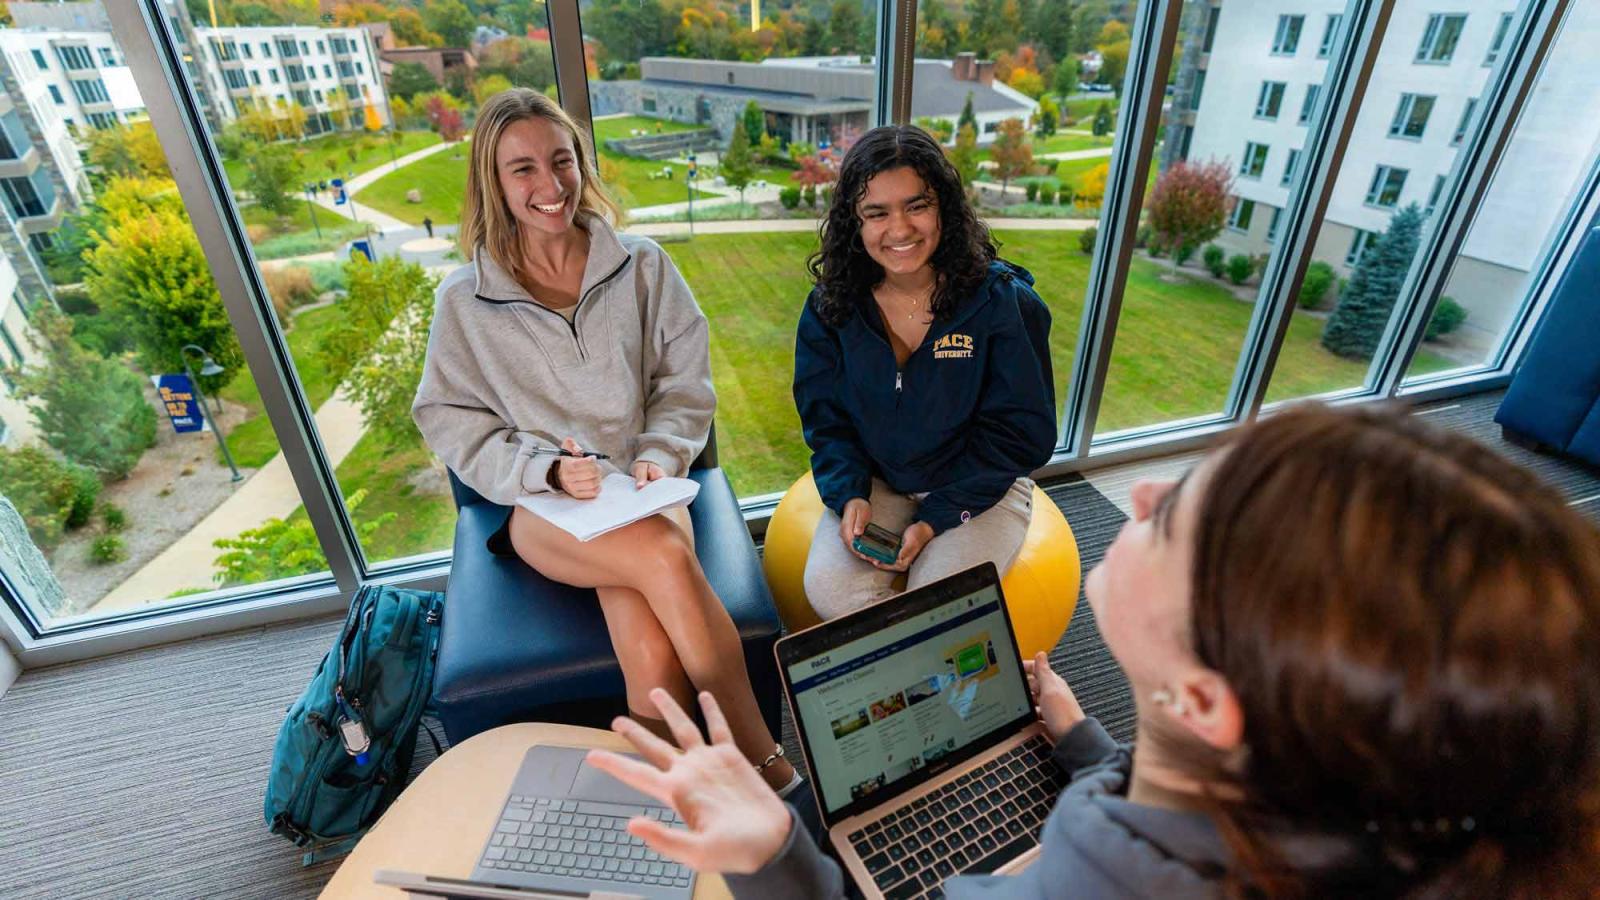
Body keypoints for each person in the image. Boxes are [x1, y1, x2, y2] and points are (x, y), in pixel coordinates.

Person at [588, 403, 1600, 898]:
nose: (1143, 495)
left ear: (1204, 704)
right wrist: (1090, 754)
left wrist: (773, 855)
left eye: (1175, 522)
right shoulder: (1401, 825)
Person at [411, 88, 799, 795]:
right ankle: (764, 765)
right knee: (665, 559)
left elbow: (686, 379)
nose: (550, 184)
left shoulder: (643, 266)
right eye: (522, 168)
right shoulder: (463, 302)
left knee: (649, 647)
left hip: (645, 488)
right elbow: (448, 417)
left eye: (561, 160)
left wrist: (659, 450)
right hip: (546, 513)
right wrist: (546, 471)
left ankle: (675, 803)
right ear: (493, 183)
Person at [794, 124, 1057, 620]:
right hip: (882, 480)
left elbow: (1021, 434)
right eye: (877, 212)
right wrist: (849, 492)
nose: (899, 229)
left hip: (980, 484)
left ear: (945, 208)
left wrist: (936, 518)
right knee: (831, 589)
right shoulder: (832, 308)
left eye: (917, 205)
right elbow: (827, 422)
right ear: (855, 222)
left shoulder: (1004, 304)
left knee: (933, 610)